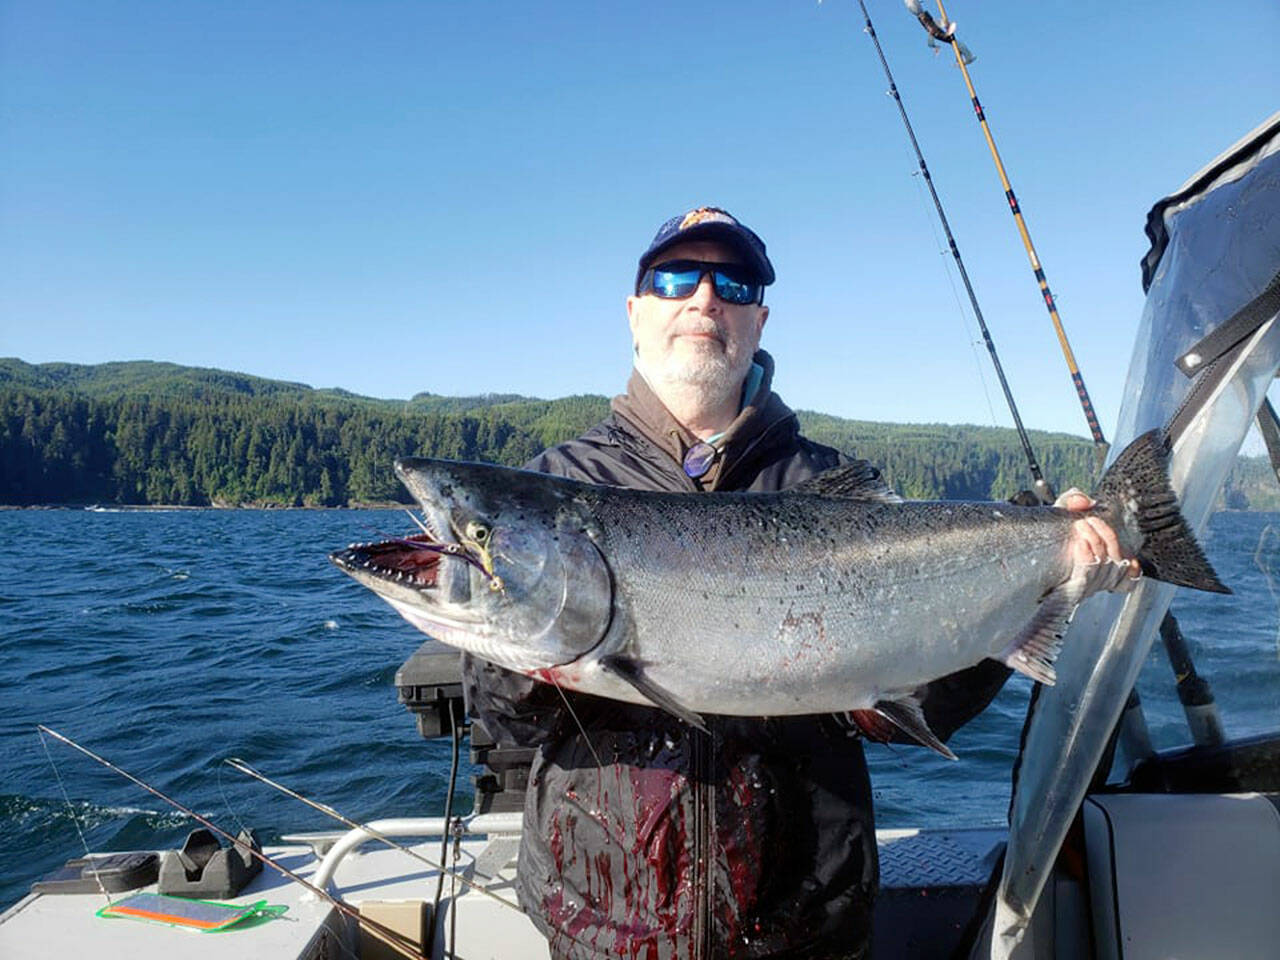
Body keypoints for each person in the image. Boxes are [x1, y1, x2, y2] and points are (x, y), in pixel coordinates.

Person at [462, 206, 1137, 960]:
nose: (705, 297)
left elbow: (907, 711)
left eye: (734, 282)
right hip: (604, 927)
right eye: (676, 276)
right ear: (636, 311)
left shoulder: (824, 485)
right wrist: (517, 620)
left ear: (759, 318)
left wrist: (1044, 583)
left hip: (804, 926)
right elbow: (508, 724)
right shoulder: (555, 485)